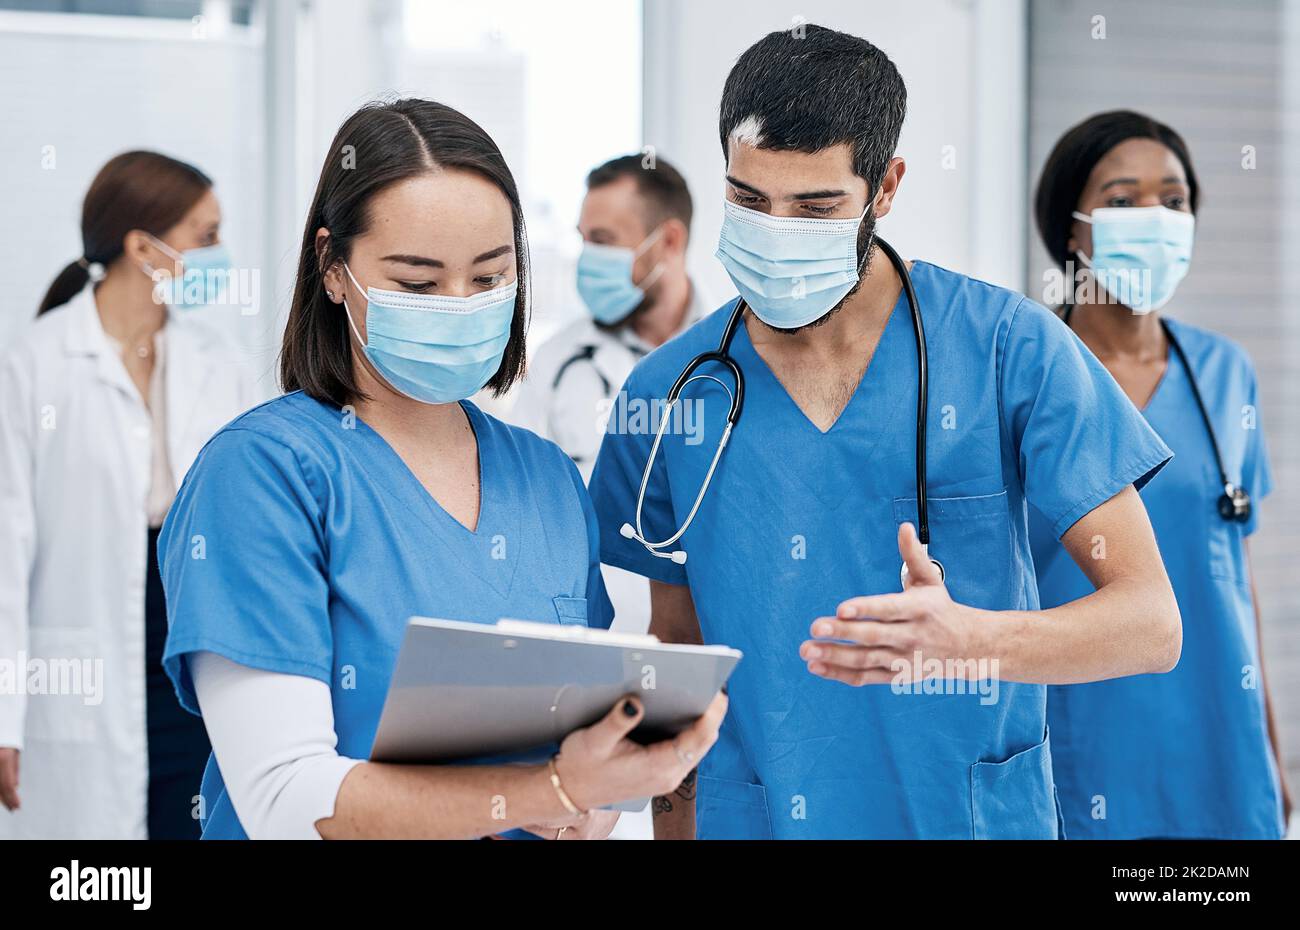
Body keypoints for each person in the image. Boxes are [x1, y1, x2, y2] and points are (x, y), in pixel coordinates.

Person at [589, 25, 1182, 840]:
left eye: (816, 207)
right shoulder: (671, 395)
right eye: (749, 201)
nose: (776, 231)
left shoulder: (1008, 348)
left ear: (887, 186)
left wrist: (975, 641)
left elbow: (1152, 624)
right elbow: (679, 665)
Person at [156, 99, 725, 840]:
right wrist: (546, 791)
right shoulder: (262, 475)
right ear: (333, 268)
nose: (458, 307)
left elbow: (583, 762)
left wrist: (591, 805)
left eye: (488, 280)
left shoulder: (549, 481)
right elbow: (288, 800)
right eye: (419, 284)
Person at [1029, 111, 1289, 839]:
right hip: (1079, 732)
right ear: (1073, 229)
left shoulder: (1225, 373)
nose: (1155, 219)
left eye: (1173, 201)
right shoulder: (1026, 371)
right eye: (1121, 200)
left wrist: (1269, 749)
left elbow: (1235, 575)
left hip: (1218, 739)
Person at [0, 151, 257, 839]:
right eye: (206, 236)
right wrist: (3, 714)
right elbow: (6, 555)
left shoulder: (220, 361)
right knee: (101, 865)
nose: (221, 255)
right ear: (143, 248)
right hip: (86, 647)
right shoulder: (36, 364)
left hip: (195, 632)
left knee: (193, 815)